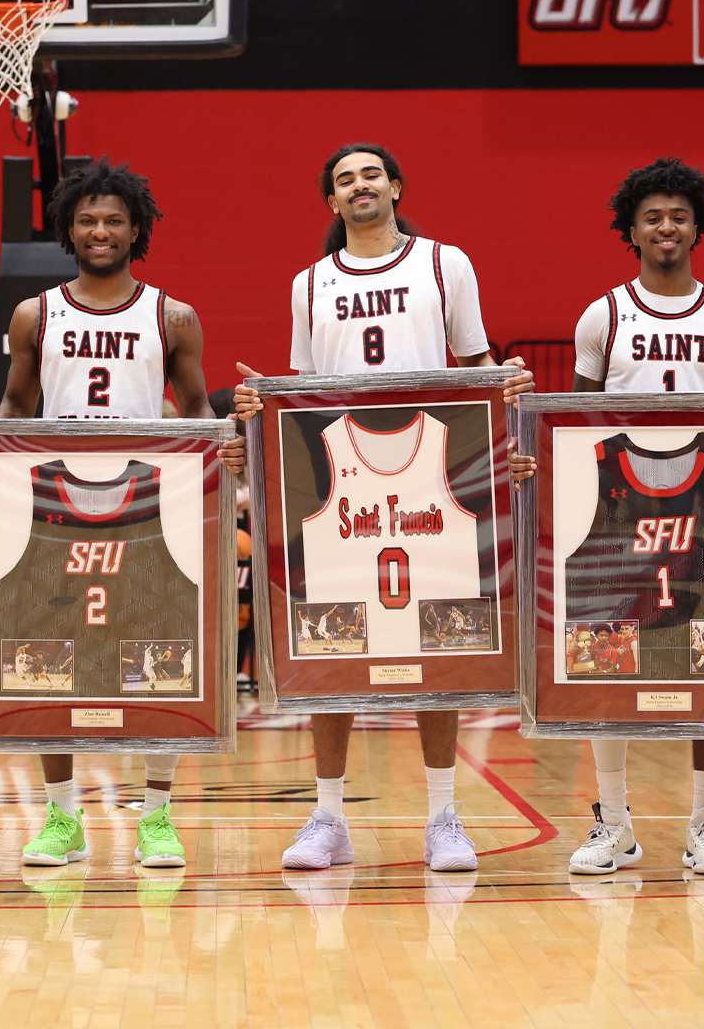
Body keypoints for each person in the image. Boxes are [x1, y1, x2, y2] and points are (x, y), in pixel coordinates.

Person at [231, 143, 535, 873]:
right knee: (332, 647)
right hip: (341, 482)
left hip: (432, 475)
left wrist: (511, 388)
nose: (359, 186)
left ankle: (443, 818)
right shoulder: (309, 283)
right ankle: (328, 819)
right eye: (344, 180)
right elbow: (302, 394)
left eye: (371, 174)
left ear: (395, 187)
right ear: (330, 202)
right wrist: (256, 402)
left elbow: (474, 368)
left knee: (439, 648)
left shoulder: (444, 263)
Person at [0, 157, 244, 870]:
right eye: (87, 219)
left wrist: (223, 461)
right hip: (56, 499)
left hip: (147, 502)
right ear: (67, 229)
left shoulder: (172, 314)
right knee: (53, 657)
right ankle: (62, 820)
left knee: (159, 655)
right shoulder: (34, 314)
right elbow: (17, 406)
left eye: (114, 220)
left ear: (137, 229)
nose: (100, 230)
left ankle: (158, 818)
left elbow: (199, 408)